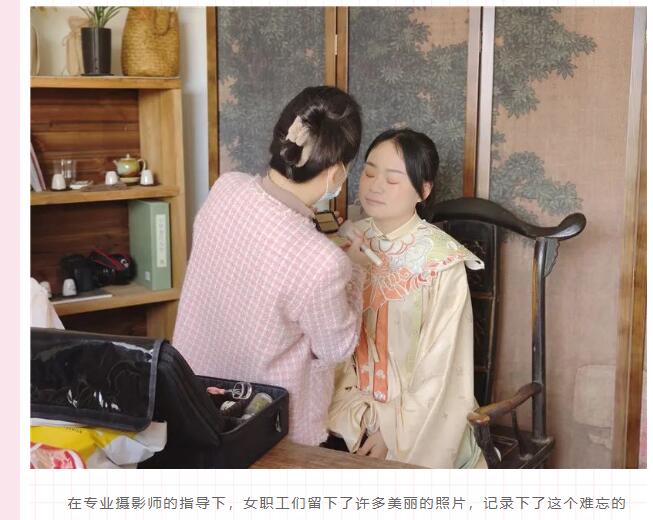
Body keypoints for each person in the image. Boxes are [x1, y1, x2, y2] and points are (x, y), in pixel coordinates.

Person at [173, 86, 371, 445]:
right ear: (335, 175)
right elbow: (336, 347)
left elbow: (258, 259)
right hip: (263, 424)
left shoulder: (225, 188)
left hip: (191, 398)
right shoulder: (324, 263)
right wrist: (355, 269)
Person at [326, 128, 486, 468]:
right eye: (369, 172)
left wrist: (391, 430)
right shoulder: (343, 243)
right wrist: (357, 414)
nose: (375, 186)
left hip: (420, 420)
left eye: (393, 179)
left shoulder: (442, 261)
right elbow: (329, 344)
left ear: (423, 190)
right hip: (346, 408)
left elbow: (442, 368)